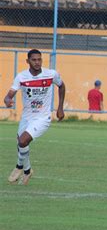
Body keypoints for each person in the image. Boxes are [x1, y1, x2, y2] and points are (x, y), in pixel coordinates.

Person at [4, 49, 66, 185]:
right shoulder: (21, 77)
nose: (37, 62)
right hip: (27, 117)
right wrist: (7, 100)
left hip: (42, 118)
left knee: (23, 141)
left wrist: (60, 107)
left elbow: (61, 86)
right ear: (28, 61)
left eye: (39, 59)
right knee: (20, 143)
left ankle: (19, 167)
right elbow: (9, 94)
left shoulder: (51, 74)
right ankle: (27, 171)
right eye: (34, 60)